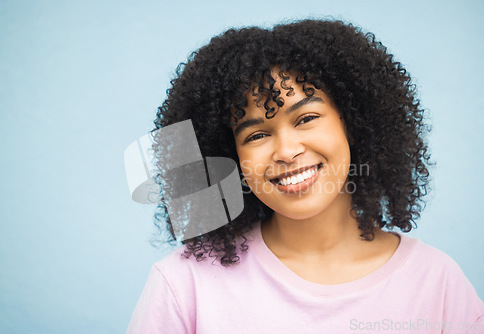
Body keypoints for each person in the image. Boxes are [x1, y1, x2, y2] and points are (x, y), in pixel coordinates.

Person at [126, 19, 484, 333]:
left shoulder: (437, 283)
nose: (286, 151)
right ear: (231, 159)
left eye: (307, 118)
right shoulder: (184, 284)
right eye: (256, 135)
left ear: (354, 124)